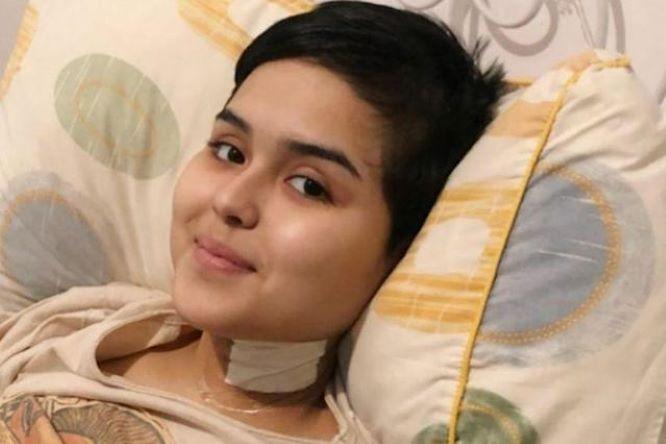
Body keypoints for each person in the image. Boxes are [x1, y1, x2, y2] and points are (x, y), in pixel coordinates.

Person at [0, 1, 503, 442]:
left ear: (401, 247)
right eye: (229, 151)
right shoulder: (81, 323)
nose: (230, 201)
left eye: (308, 185)